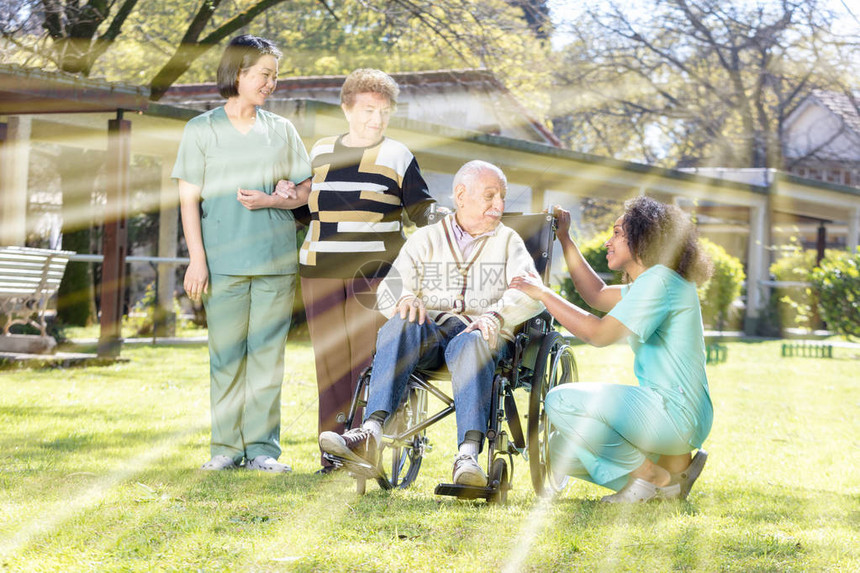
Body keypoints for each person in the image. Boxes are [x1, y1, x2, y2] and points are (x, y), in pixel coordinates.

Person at [318, 160, 544, 486]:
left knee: (471, 340)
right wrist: (405, 298)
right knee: (400, 322)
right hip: (430, 337)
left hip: (478, 337)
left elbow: (532, 293)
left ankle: (467, 457)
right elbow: (391, 288)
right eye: (491, 196)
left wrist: (495, 315)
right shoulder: (426, 238)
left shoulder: (509, 241)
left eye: (503, 197)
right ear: (461, 195)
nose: (500, 206)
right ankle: (370, 433)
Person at [510, 196, 713, 502]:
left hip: (675, 412)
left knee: (562, 401)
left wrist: (542, 293)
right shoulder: (654, 282)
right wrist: (565, 238)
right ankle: (652, 486)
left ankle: (657, 476)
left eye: (618, 233)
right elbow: (596, 294)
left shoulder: (660, 282)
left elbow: (598, 334)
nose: (608, 241)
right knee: (560, 446)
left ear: (645, 236)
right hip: (667, 412)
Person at [173, 34, 312, 473]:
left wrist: (285, 194)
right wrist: (197, 259)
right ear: (238, 73)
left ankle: (264, 451)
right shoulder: (201, 129)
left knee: (267, 358)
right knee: (227, 357)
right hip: (222, 262)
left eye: (275, 76)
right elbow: (187, 200)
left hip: (274, 261)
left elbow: (304, 189)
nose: (271, 83)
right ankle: (226, 449)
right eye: (264, 74)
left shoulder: (282, 130)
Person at [296, 69, 439, 475]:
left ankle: (361, 446)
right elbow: (305, 208)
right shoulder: (321, 151)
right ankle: (331, 454)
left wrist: (445, 218)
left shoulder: (398, 155)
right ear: (346, 108)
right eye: (367, 110)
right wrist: (280, 197)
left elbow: (420, 208)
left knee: (365, 362)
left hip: (374, 275)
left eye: (383, 112)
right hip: (319, 269)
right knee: (330, 365)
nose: (375, 119)